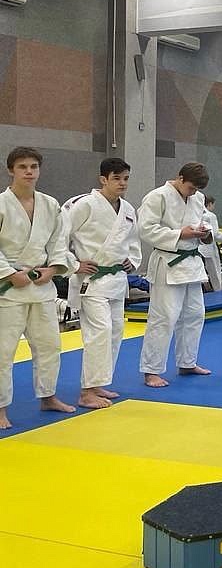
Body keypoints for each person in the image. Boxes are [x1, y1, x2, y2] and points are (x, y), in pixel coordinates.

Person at [0, 147, 77, 429]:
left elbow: (59, 242)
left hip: (41, 287)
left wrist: (54, 269)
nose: (29, 172)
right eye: (23, 167)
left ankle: (48, 396)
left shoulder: (50, 204)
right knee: (3, 351)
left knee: (49, 346)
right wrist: (9, 273)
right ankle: (0, 408)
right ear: (11, 170)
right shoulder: (1, 204)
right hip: (9, 289)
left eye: (34, 166)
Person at [61, 157, 142, 410]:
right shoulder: (83, 204)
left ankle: (98, 383)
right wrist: (74, 264)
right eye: (116, 178)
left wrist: (132, 260)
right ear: (103, 179)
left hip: (116, 280)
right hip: (92, 281)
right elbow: (59, 237)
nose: (122, 183)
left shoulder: (128, 209)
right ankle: (87, 392)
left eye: (126, 178)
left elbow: (133, 242)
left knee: (115, 331)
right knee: (100, 331)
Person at [138, 162, 214, 388]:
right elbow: (145, 230)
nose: (193, 193)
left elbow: (204, 224)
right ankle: (151, 370)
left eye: (196, 190)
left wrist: (205, 234)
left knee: (195, 315)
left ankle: (187, 363)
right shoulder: (157, 197)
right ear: (180, 178)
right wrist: (180, 233)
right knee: (163, 318)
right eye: (191, 187)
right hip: (168, 262)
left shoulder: (198, 198)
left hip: (192, 263)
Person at [198, 196, 222, 291]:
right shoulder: (210, 216)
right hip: (208, 247)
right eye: (213, 205)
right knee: (215, 271)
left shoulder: (196, 213)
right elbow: (215, 235)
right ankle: (218, 291)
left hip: (197, 247)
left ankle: (205, 289)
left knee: (199, 271)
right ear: (210, 204)